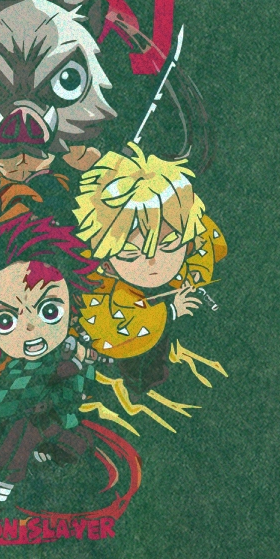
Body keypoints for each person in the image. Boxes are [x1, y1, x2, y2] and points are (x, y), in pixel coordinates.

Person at [0, 213, 104, 503]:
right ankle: (59, 449)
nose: (30, 329)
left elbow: (67, 379)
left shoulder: (71, 350)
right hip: (39, 412)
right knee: (34, 429)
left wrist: (75, 364)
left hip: (56, 410)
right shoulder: (23, 365)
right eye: (5, 321)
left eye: (49, 311)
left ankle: (8, 477)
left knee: (33, 431)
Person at [72, 143, 227, 395]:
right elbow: (113, 330)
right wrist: (171, 311)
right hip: (129, 339)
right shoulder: (97, 285)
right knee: (141, 363)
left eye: (168, 246)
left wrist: (192, 276)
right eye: (132, 255)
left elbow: (203, 241)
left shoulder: (189, 234)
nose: (153, 263)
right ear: (107, 263)